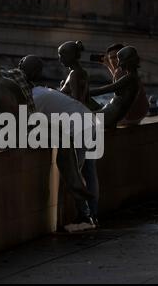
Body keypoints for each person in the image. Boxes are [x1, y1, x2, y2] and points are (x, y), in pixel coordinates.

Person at [19, 55, 100, 232]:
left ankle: (85, 217)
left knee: (73, 175)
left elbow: (25, 125)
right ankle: (92, 215)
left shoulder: (34, 98)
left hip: (80, 129)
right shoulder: (42, 92)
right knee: (87, 172)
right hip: (91, 122)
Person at [91, 46, 148, 129]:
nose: (115, 62)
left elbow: (109, 88)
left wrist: (87, 92)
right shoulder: (132, 76)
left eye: (117, 58)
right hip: (136, 116)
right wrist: (109, 66)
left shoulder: (125, 75)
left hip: (125, 117)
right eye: (111, 58)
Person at [58, 40, 90, 106]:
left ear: (70, 55)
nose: (60, 60)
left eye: (62, 56)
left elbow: (76, 101)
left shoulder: (74, 74)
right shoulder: (83, 72)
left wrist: (59, 93)